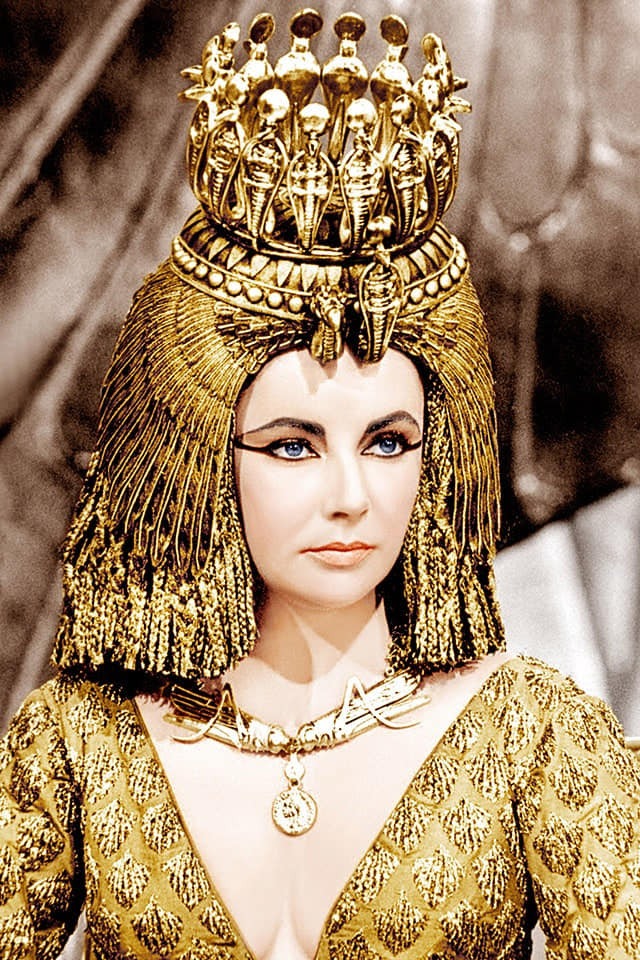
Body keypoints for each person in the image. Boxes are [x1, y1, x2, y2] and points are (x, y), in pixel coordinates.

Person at [1, 10, 639, 960]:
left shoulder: (536, 739)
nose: (351, 495)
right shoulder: (77, 744)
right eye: (294, 447)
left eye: (388, 442)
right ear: (206, 454)